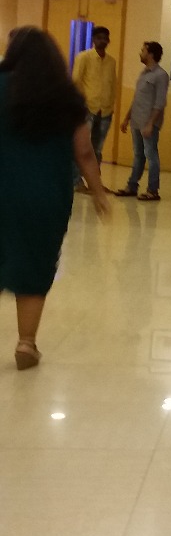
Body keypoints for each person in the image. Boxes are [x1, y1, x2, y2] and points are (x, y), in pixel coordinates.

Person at [0, 27, 111, 370]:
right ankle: (26, 343)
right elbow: (85, 152)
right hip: (46, 197)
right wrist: (98, 192)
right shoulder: (66, 97)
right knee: (35, 265)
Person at [113, 41, 168, 201]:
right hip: (136, 121)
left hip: (148, 123)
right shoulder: (143, 73)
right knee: (138, 155)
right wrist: (127, 118)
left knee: (151, 155)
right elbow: (137, 98)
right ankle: (132, 186)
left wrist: (151, 123)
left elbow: (160, 103)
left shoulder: (161, 75)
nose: (140, 53)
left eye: (143, 50)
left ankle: (153, 190)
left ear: (150, 54)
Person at [71, 25, 116, 192]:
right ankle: (76, 181)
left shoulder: (111, 61)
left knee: (97, 149)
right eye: (99, 38)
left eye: (105, 38)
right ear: (93, 40)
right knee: (81, 146)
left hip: (105, 111)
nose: (102, 41)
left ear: (108, 40)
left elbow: (113, 85)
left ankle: (94, 183)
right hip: (87, 109)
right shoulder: (84, 57)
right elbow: (76, 81)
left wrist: (110, 104)